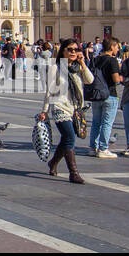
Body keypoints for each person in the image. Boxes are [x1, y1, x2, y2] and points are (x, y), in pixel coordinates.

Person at [38, 38, 93, 183]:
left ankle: (53, 163)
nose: (73, 52)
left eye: (76, 49)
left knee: (66, 139)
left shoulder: (77, 67)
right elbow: (49, 91)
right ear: (63, 51)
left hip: (74, 109)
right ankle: (73, 173)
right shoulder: (55, 68)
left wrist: (82, 63)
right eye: (70, 49)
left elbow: (90, 80)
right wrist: (44, 111)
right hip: (59, 107)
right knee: (70, 137)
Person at [86, 37, 121, 158]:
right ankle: (103, 148)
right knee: (107, 123)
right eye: (117, 47)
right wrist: (122, 78)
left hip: (96, 94)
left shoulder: (95, 59)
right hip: (110, 94)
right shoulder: (112, 61)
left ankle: (92, 147)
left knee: (96, 122)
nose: (118, 49)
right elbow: (116, 79)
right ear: (112, 47)